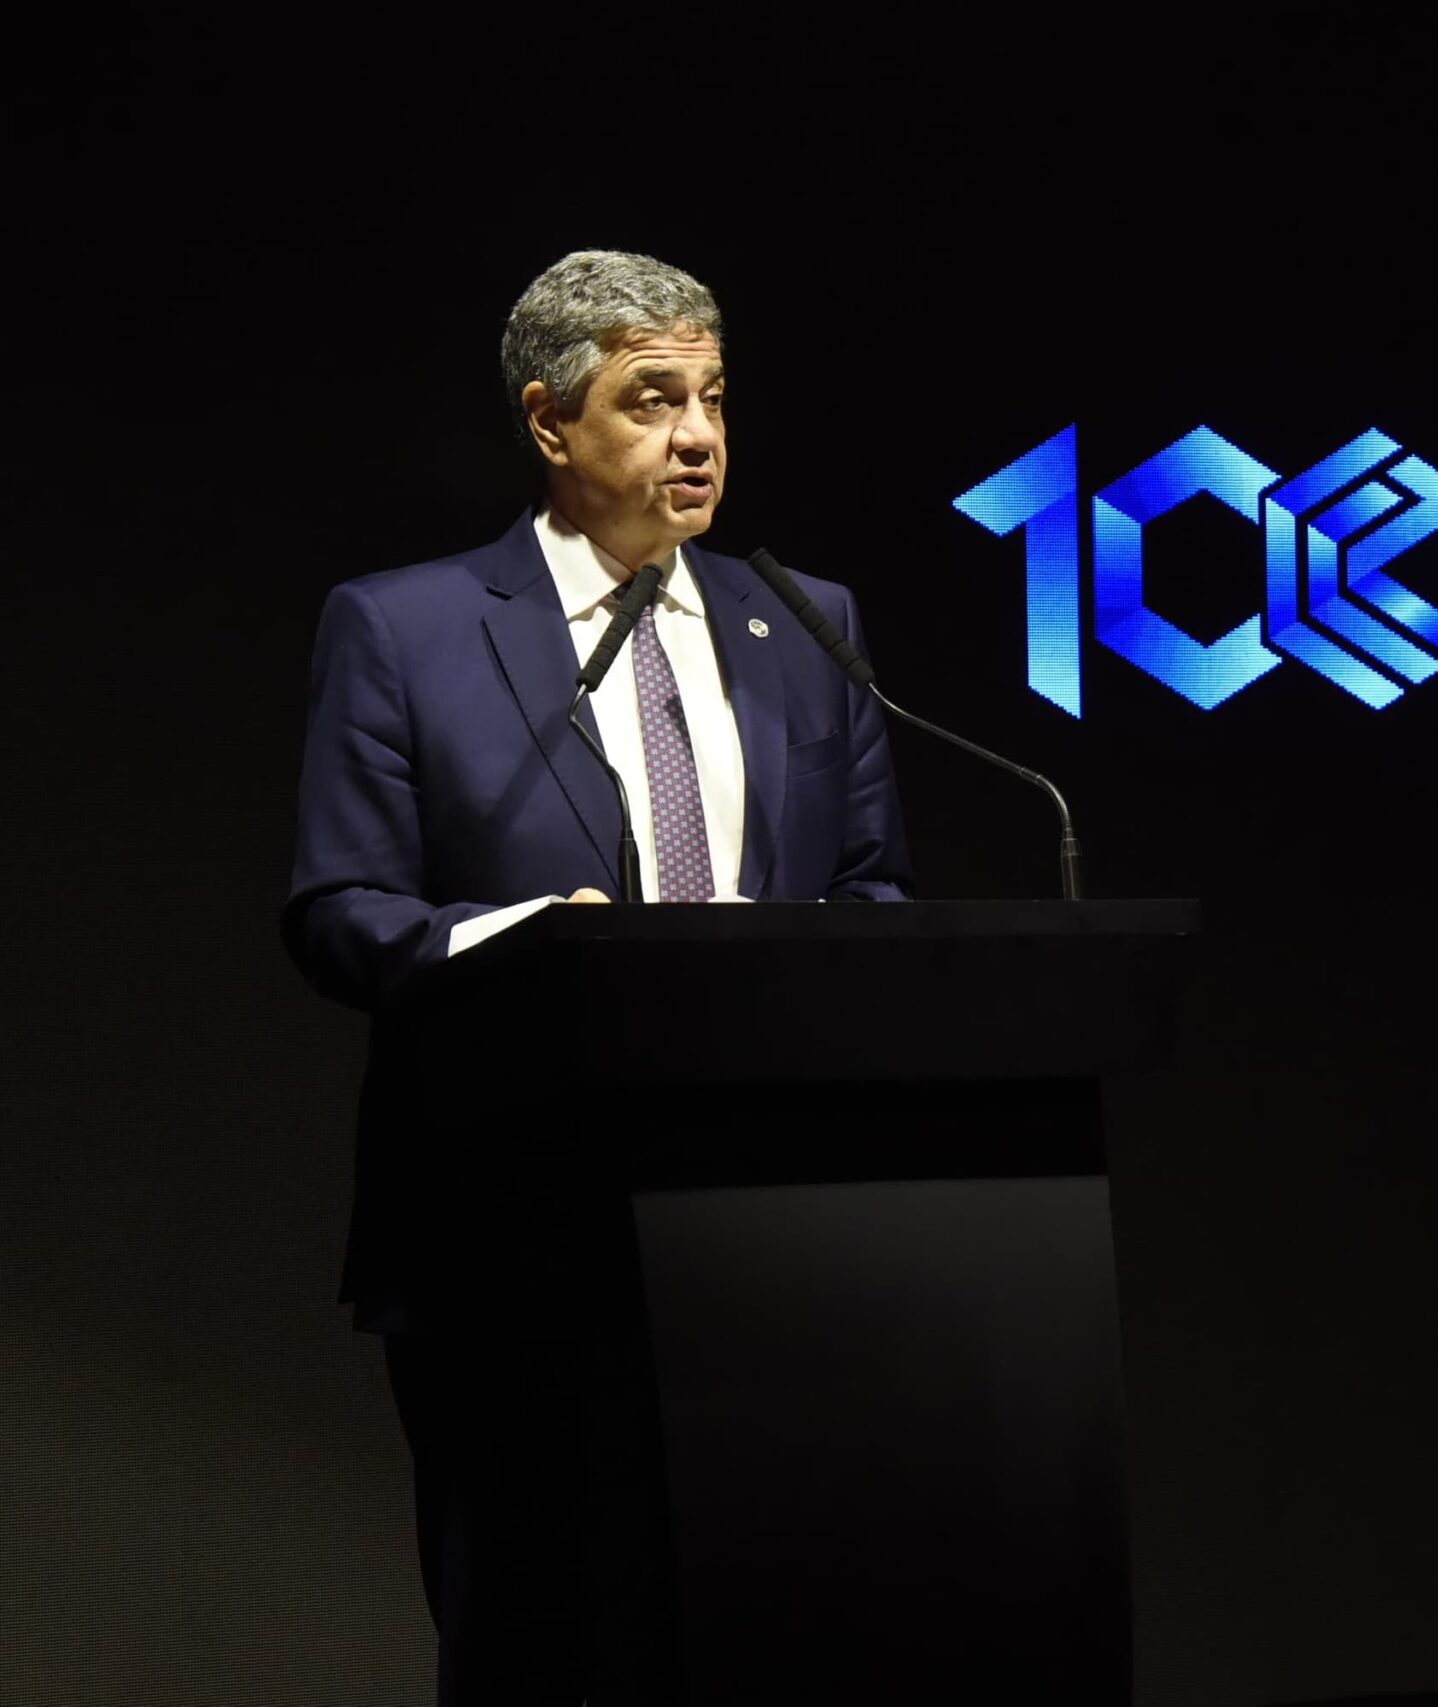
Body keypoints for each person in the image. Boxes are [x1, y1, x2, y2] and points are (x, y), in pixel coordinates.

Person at [282, 250, 910, 1703]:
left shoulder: (806, 625)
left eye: (712, 399)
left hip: (769, 1240)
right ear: (552, 423)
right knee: (541, 1649)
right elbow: (338, 912)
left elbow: (872, 897)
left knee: (768, 1641)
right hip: (506, 1239)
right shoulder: (407, 630)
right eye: (650, 400)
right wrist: (523, 940)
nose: (696, 437)